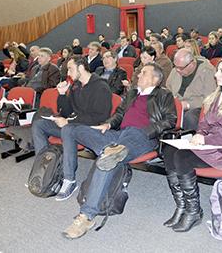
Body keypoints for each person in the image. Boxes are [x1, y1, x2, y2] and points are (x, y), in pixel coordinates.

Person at [62, 63, 177, 239]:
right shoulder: (132, 93)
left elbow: (170, 121)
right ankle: (101, 156)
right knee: (71, 129)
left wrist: (146, 130)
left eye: (143, 73)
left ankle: (86, 216)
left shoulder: (164, 95)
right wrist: (108, 124)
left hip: (141, 136)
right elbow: (119, 114)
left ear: (155, 78)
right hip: (118, 135)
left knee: (108, 157)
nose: (138, 75)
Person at [162, 56, 222, 232]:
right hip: (211, 145)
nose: (216, 75)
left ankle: (193, 212)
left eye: (221, 71)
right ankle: (182, 206)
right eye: (217, 70)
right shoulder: (217, 97)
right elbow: (205, 123)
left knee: (183, 157)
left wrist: (206, 139)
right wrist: (199, 134)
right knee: (169, 149)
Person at [32, 56, 112, 200]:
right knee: (39, 124)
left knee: (67, 129)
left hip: (91, 129)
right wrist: (62, 94)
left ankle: (69, 180)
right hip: (73, 126)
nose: (68, 73)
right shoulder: (76, 86)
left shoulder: (101, 87)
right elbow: (67, 112)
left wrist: (68, 122)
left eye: (70, 68)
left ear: (81, 68)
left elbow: (99, 117)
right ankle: (43, 168)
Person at [167, 48, 216, 130]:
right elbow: (168, 89)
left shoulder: (208, 72)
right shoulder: (176, 70)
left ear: (192, 64)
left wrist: (189, 104)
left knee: (190, 117)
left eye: (181, 68)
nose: (177, 70)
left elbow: (210, 99)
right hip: (175, 104)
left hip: (196, 108)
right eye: (176, 66)